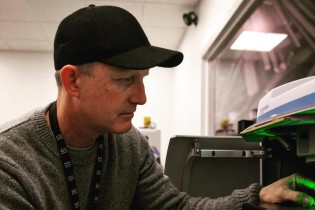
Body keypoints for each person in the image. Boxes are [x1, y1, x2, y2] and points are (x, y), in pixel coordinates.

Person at [0, 5, 314, 210]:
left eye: (143, 79)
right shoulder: (10, 163)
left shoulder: (128, 144)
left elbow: (174, 208)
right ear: (73, 81)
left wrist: (255, 200)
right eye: (125, 80)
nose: (141, 97)